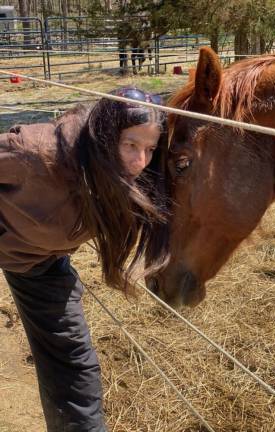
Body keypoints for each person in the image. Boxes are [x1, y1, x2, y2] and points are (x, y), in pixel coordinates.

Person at [0, 87, 168, 432]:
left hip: (35, 265)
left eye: (150, 149)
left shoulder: (128, 179)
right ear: (105, 136)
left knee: (74, 363)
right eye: (131, 145)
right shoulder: (34, 154)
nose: (141, 162)